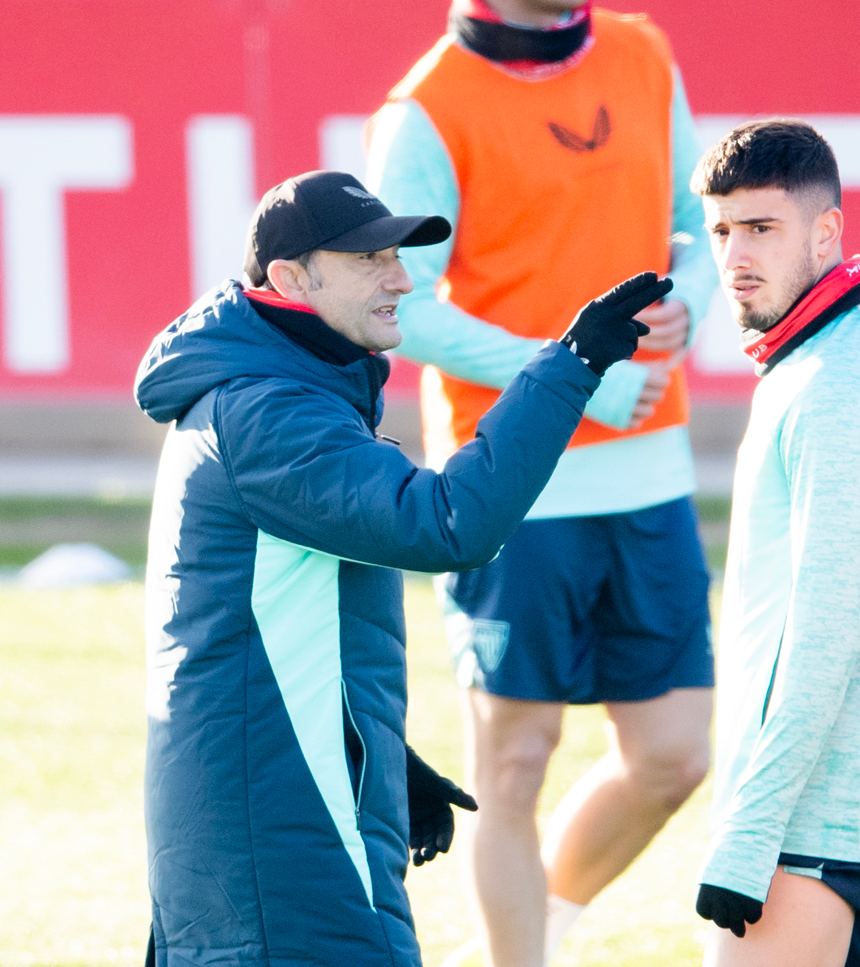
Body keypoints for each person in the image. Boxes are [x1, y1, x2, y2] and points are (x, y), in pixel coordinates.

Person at [133, 170, 672, 966]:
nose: (402, 279)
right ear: (290, 279)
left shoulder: (277, 386)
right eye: (369, 260)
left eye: (396, 254)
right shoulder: (269, 412)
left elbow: (266, 623)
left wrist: (377, 754)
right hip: (281, 836)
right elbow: (450, 523)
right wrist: (571, 366)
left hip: (277, 812)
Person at [366, 0, 717, 963]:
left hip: (650, 475)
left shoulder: (644, 55)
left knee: (674, 755)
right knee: (511, 763)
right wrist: (575, 371)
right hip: (509, 487)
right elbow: (400, 302)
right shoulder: (422, 109)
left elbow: (695, 227)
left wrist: (692, 298)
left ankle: (536, 927)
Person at [693, 120, 860, 967]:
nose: (736, 255)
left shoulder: (837, 382)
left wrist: (750, 830)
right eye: (723, 229)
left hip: (818, 828)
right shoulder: (855, 361)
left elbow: (824, 632)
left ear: (828, 231)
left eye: (762, 227)